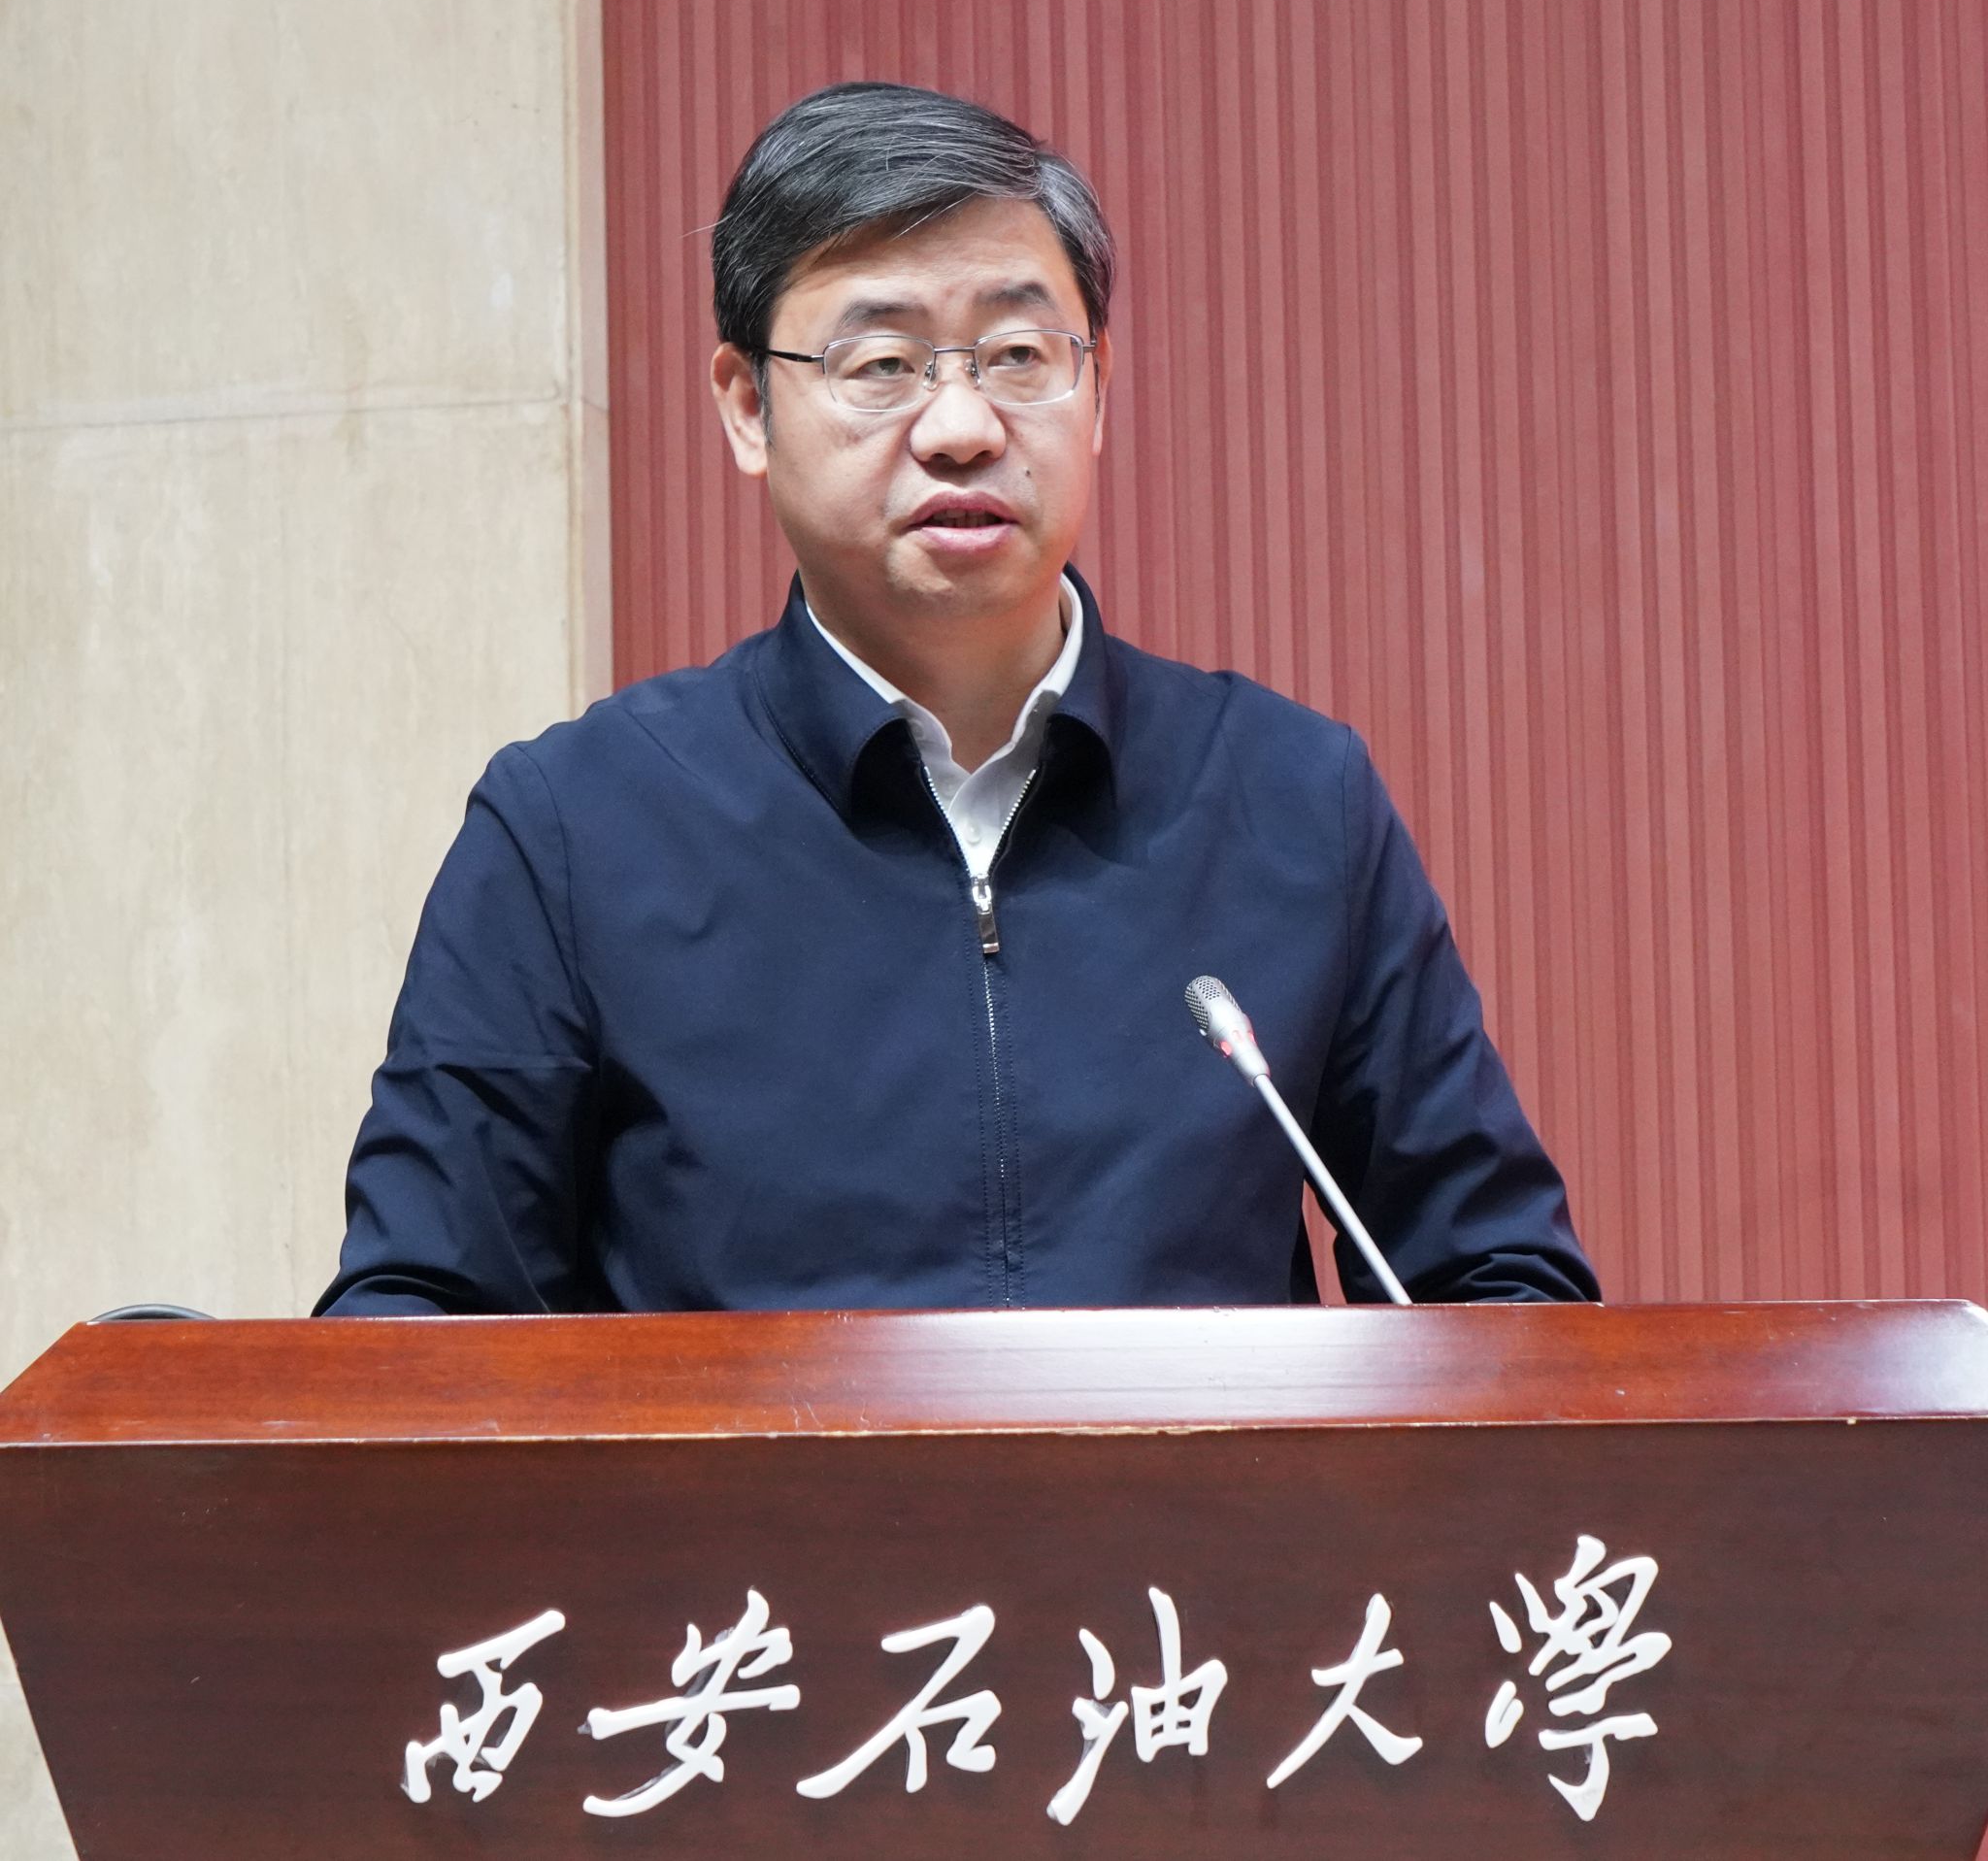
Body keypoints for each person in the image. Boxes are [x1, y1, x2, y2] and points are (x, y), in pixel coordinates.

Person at [315, 83, 1597, 1317]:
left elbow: (1503, 1295)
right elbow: (421, 1323)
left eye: (1019, 354)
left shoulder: (1292, 801)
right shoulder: (575, 830)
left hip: (1198, 1485)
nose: (963, 425)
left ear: (1099, 391)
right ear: (749, 407)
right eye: (882, 362)